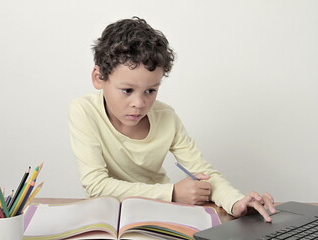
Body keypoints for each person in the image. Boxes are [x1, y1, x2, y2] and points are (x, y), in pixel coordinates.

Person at [68, 17, 276, 222]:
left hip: (160, 214)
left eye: (150, 90)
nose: (139, 103)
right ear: (99, 78)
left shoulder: (166, 117)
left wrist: (236, 202)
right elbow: (96, 185)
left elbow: (202, 173)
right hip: (108, 217)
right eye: (127, 90)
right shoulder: (84, 111)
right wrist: (172, 193)